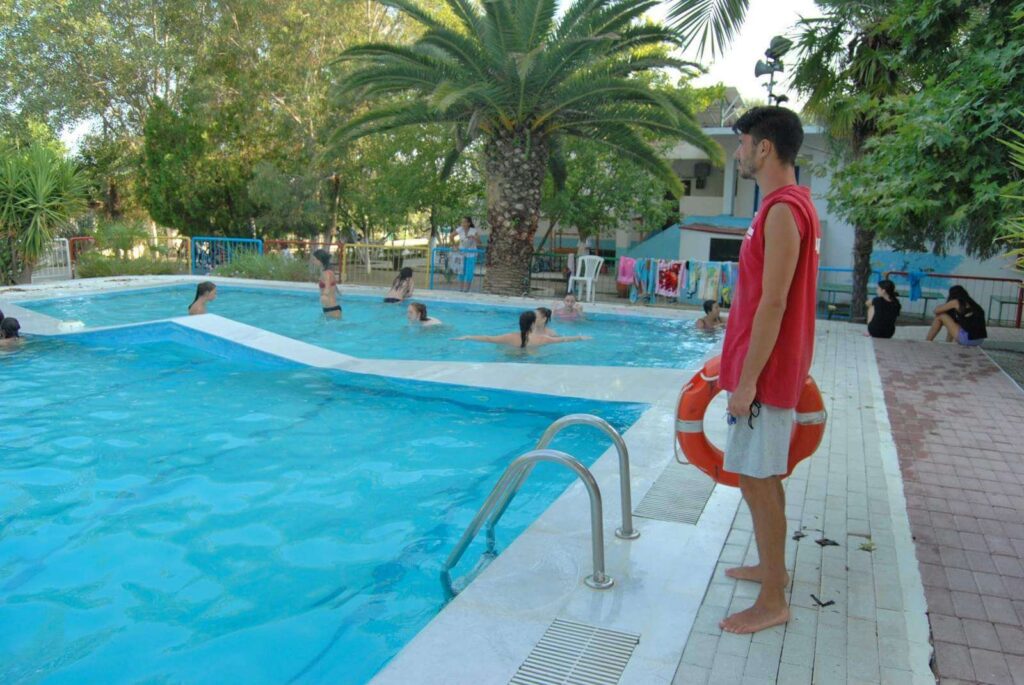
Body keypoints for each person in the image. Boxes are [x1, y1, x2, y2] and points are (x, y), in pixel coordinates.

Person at [716, 106, 821, 635]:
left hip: (766, 375)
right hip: (762, 368)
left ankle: (774, 598)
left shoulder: (782, 210)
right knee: (760, 478)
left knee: (757, 480)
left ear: (764, 148)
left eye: (742, 143)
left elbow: (774, 302)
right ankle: (770, 568)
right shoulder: (786, 206)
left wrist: (749, 381)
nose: (738, 152)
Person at [456, 310, 590, 348]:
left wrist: (468, 336)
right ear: (533, 324)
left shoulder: (509, 337)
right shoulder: (542, 339)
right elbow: (563, 340)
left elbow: (488, 338)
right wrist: (579, 337)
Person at [314, 249, 341, 319]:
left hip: (332, 308)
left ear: (320, 260)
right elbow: (333, 284)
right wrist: (337, 291)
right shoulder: (328, 271)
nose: (314, 261)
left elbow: (327, 287)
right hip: (329, 308)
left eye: (315, 259)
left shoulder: (327, 273)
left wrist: (324, 295)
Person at [455, 216, 480, 293]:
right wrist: (454, 246)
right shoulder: (459, 229)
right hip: (461, 253)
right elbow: (451, 236)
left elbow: (479, 242)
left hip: (471, 254)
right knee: (461, 271)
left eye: (464, 222)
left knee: (469, 272)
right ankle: (460, 289)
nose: (463, 224)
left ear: (469, 223)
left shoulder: (473, 230)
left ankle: (467, 290)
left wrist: (473, 237)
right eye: (462, 222)